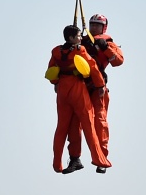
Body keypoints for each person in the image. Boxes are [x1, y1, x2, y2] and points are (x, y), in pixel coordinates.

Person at [47, 24, 111, 174]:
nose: (80, 38)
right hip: (77, 88)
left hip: (62, 90)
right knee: (89, 125)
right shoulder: (80, 50)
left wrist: (56, 83)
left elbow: (51, 70)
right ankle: (99, 159)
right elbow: (93, 66)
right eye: (78, 36)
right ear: (71, 38)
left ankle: (57, 164)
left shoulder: (56, 51)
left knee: (61, 127)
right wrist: (100, 85)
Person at [69, 14, 125, 172]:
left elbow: (118, 61)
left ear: (103, 28)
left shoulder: (108, 43)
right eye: (92, 25)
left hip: (98, 88)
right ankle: (74, 158)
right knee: (74, 123)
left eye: (97, 25)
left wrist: (105, 48)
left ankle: (102, 158)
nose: (94, 28)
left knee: (99, 122)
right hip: (80, 86)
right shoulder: (81, 40)